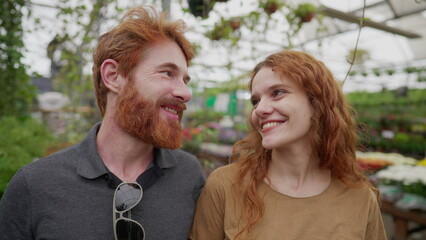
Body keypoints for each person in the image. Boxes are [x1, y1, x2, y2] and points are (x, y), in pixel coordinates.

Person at [0, 6, 205, 240]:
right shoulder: (34, 186)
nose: (185, 93)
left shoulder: (189, 176)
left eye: (185, 80)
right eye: (167, 73)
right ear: (113, 77)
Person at [190, 50, 387, 240]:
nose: (260, 110)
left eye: (277, 93)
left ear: (317, 103)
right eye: (255, 101)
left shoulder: (360, 197)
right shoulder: (225, 185)